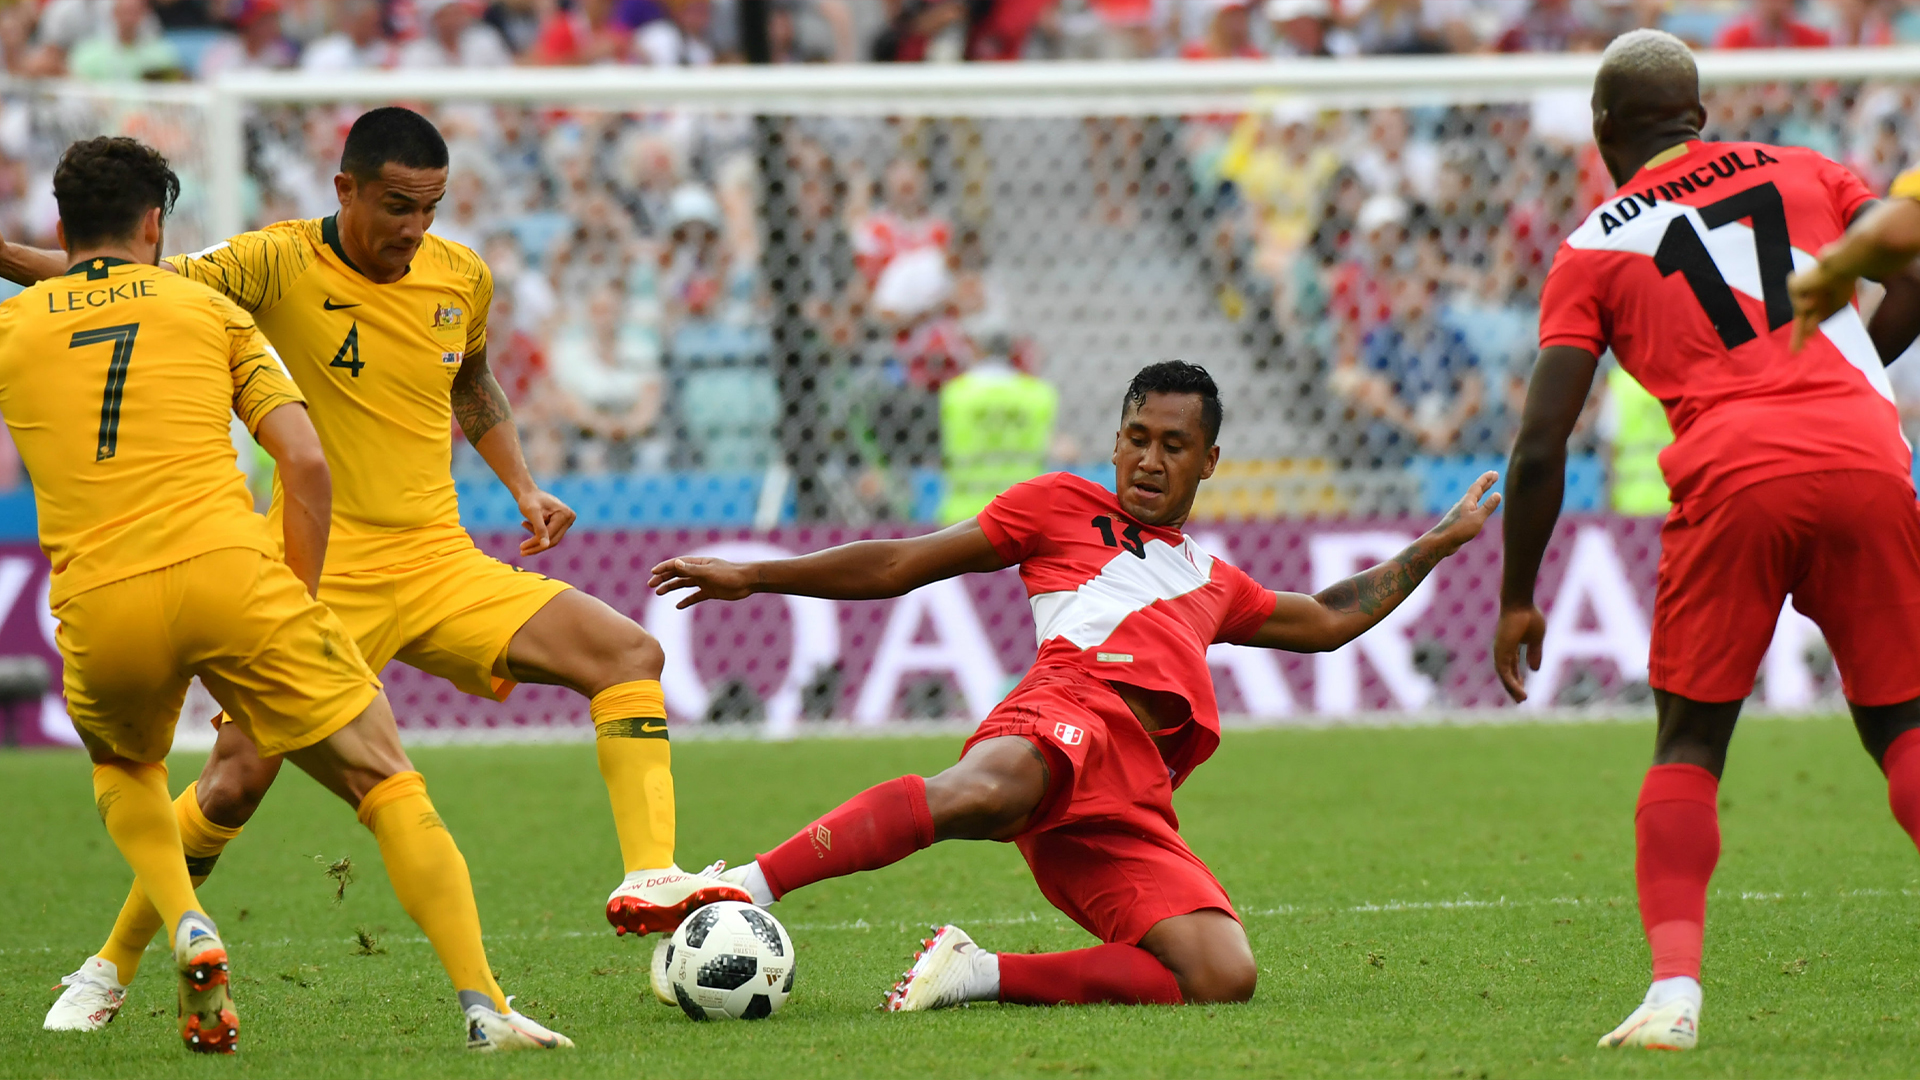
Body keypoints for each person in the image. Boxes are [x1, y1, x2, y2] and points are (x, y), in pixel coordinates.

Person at [8, 109, 745, 1034]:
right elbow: (119, 289)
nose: (414, 229)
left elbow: (469, 379)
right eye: (397, 206)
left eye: (430, 209)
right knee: (234, 782)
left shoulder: (460, 274)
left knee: (626, 653)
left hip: (438, 559)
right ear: (345, 189)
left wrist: (522, 485)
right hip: (322, 570)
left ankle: (648, 872)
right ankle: (107, 971)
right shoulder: (271, 263)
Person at [649, 361, 1500, 1010]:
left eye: (1173, 446)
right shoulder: (1057, 504)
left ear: (1209, 461)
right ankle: (742, 885)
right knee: (989, 787)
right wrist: (756, 576)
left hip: (1130, 793)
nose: (1149, 459)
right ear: (1117, 437)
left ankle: (974, 972)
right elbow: (905, 561)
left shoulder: (1213, 579)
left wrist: (1434, 544)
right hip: (1066, 711)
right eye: (1137, 437)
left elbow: (1324, 619)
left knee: (1219, 974)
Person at [1496, 30, 1920, 1053]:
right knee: (1905, 726)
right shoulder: (1808, 169)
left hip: (1734, 475)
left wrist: (1518, 590)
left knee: (1690, 745)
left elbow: (1543, 439)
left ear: (1605, 131)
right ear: (1696, 109)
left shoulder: (1594, 243)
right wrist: (1852, 361)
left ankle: (1675, 997)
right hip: (1866, 455)